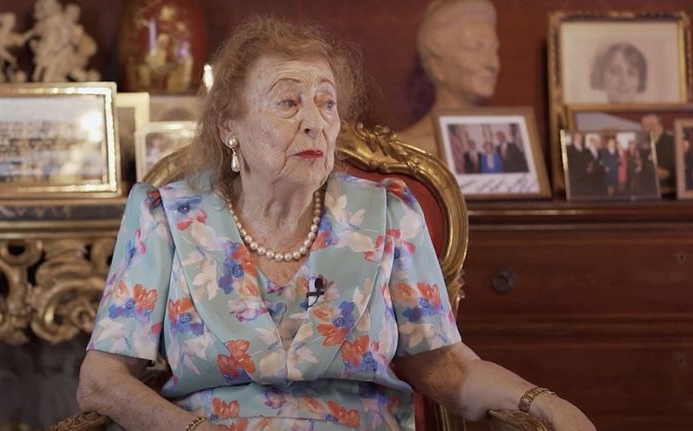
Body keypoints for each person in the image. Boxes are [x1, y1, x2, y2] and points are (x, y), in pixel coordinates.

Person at [76, 17, 594, 431]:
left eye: (327, 103)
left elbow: (446, 367)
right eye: (288, 102)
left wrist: (543, 401)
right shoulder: (167, 217)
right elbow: (101, 380)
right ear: (229, 125)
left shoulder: (388, 213)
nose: (315, 122)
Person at [397, 0, 499, 156]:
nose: (492, 64)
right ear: (436, 66)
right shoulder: (407, 148)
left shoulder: (504, 142)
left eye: (495, 50)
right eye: (475, 47)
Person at [640, 113, 675, 195]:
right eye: (644, 126)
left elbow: (683, 167)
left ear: (660, 125)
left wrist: (668, 173)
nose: (647, 128)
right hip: (645, 190)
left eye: (651, 125)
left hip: (669, 189)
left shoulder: (673, 141)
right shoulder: (641, 144)